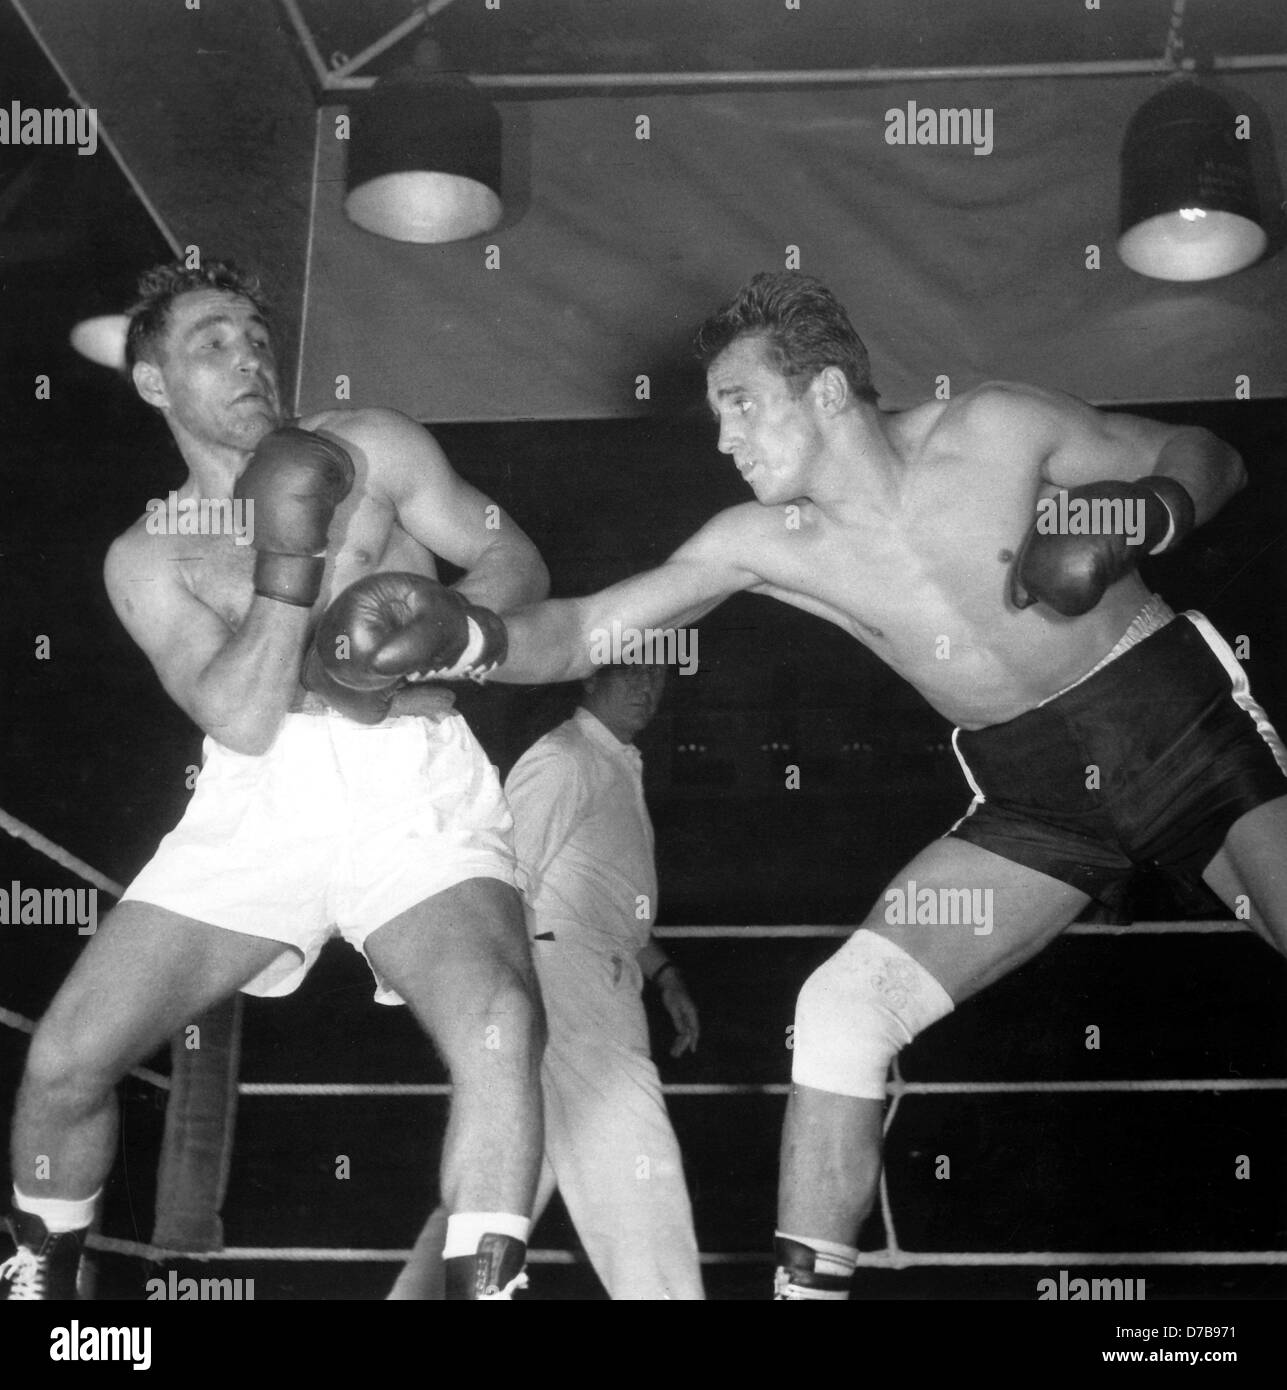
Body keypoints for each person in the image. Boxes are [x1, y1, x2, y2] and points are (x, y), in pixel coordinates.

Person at [489, 271, 1287, 1299]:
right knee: (840, 1007)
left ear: (825, 391)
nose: (724, 440)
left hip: (1174, 726)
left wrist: (1150, 511)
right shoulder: (761, 543)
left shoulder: (994, 429)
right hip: (1035, 798)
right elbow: (585, 627)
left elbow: (1207, 453)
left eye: (741, 405)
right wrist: (466, 637)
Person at [1, 259, 549, 1301]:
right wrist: (290, 556)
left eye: (255, 336)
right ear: (156, 383)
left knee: (502, 1023)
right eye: (212, 342)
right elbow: (242, 713)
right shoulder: (148, 555)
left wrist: (449, 633)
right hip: (257, 795)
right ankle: (42, 1293)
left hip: (410, 778)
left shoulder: (376, 447)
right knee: (66, 1061)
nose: (250, 356)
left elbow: (515, 565)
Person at [390, 663, 705, 1300]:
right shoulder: (566, 758)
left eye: (658, 678)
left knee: (504, 1173)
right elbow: (510, 877)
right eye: (630, 676)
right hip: (567, 980)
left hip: (592, 974)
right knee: (636, 1165)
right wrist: (517, 1000)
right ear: (590, 680)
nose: (647, 688)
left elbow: (598, 895)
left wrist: (662, 972)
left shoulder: (612, 760)